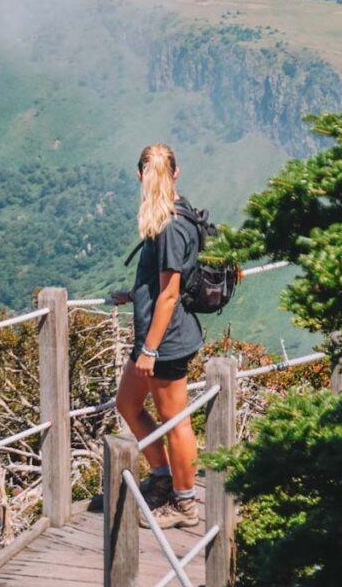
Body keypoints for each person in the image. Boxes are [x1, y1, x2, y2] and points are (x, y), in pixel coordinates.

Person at [110, 142, 203, 529]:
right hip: (153, 340)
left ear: (139, 177)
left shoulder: (170, 225)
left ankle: (184, 505)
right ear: (176, 173)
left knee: (175, 421)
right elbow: (159, 283)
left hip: (164, 343)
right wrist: (134, 295)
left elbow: (170, 293)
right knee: (128, 405)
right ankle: (163, 477)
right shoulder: (169, 216)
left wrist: (149, 349)